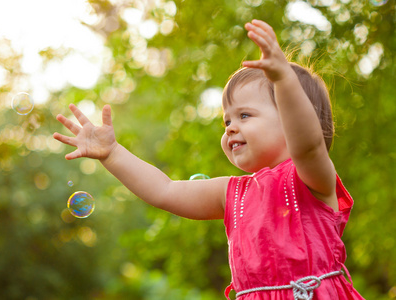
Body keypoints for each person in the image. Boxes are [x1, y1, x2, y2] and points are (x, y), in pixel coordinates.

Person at [53, 20, 364, 300]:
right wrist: (113, 153)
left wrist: (283, 78)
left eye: (244, 115)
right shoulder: (231, 193)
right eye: (226, 120)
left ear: (290, 118)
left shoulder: (312, 179)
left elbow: (307, 145)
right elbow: (165, 191)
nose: (230, 127)